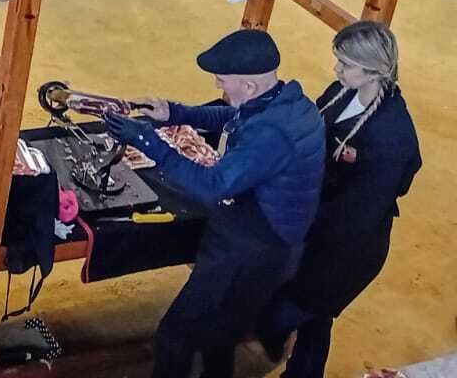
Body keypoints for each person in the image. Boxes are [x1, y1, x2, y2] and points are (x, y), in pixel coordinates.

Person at [101, 28, 324, 378]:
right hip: (273, 245)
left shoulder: (271, 135)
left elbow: (212, 186)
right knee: (219, 335)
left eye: (222, 80)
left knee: (175, 335)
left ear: (249, 85)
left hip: (251, 250)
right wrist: (173, 113)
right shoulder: (287, 102)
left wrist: (146, 140)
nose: (218, 86)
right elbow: (233, 117)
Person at [255, 21, 420, 378]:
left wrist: (297, 223)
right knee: (315, 320)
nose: (336, 70)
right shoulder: (341, 91)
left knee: (279, 314)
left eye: (346, 64)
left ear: (374, 70)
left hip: (346, 251)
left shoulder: (390, 137)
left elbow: (359, 215)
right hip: (321, 227)